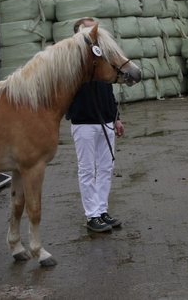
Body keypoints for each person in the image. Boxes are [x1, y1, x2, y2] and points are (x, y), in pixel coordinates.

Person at [67, 17, 124, 232]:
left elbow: (109, 88)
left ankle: (102, 210)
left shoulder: (102, 60)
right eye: (90, 29)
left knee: (106, 167)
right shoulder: (72, 60)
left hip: (106, 121)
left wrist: (116, 117)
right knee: (87, 169)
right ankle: (91, 215)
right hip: (84, 122)